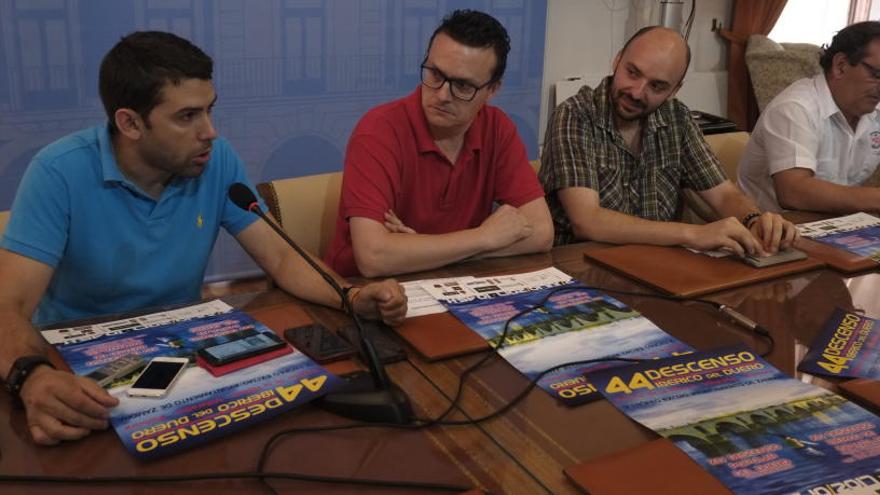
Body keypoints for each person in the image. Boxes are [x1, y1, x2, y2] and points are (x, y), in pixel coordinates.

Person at [0, 31, 406, 446]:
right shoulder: (57, 172)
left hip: (183, 358)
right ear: (130, 123)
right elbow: (7, 305)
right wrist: (30, 377)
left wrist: (351, 297)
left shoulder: (215, 160)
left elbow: (283, 257)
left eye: (210, 110)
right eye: (187, 116)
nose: (209, 131)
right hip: (79, 372)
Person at [324, 9, 553, 278]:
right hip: (362, 293)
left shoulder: (497, 128)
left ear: (492, 90)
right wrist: (484, 237)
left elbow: (541, 233)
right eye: (435, 75)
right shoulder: (378, 131)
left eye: (463, 86)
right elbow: (374, 257)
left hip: (449, 285)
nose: (443, 95)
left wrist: (421, 250)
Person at [540, 26, 797, 256]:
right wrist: (693, 233)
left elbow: (723, 194)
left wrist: (754, 220)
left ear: (674, 90)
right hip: (585, 267)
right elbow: (588, 221)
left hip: (660, 263)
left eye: (657, 86)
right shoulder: (575, 114)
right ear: (617, 60)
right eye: (633, 73)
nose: (637, 92)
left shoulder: (677, 118)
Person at [739, 21, 880, 213]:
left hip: (836, 227)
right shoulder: (795, 108)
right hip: (772, 231)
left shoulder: (872, 111)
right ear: (840, 66)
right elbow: (793, 192)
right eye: (877, 74)